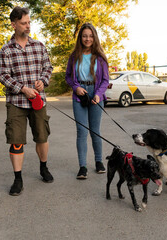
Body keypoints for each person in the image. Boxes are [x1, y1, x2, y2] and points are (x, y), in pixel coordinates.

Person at [0, 6, 54, 196]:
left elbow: (48, 68)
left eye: (29, 22)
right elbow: (3, 75)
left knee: (42, 137)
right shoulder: (6, 50)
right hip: (16, 102)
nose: (28, 26)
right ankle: (18, 179)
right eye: (24, 23)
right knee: (16, 141)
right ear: (14, 25)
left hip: (39, 101)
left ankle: (43, 168)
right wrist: (22, 88)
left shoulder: (39, 46)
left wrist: (42, 81)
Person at [65, 23, 109, 179]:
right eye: (85, 36)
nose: (87, 39)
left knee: (95, 131)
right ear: (80, 37)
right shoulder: (74, 56)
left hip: (96, 95)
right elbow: (68, 77)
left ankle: (99, 162)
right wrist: (76, 87)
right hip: (80, 95)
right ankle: (82, 166)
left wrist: (98, 94)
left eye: (90, 36)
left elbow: (105, 80)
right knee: (82, 131)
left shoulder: (100, 57)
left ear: (94, 37)